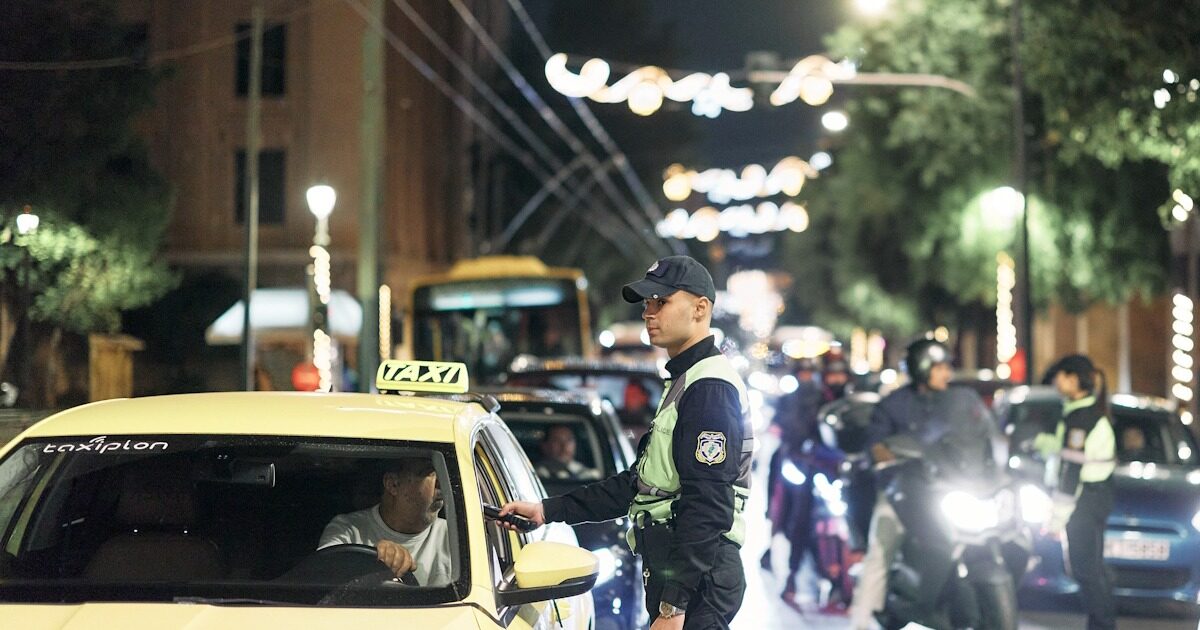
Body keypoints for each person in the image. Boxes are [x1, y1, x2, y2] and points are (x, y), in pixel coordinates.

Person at [500, 255, 753, 630]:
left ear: (700, 309)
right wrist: (546, 510)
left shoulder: (708, 388)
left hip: (698, 583)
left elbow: (708, 506)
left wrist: (674, 607)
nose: (649, 313)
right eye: (647, 303)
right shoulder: (686, 380)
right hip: (683, 575)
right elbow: (637, 486)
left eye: (661, 302)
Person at [849, 338, 994, 630]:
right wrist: (884, 452)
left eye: (947, 368)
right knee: (881, 550)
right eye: (939, 368)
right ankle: (862, 620)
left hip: (950, 489)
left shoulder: (959, 400)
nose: (946, 374)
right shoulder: (894, 404)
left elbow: (982, 434)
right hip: (903, 492)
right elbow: (875, 445)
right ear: (922, 369)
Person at [1034, 355, 1116, 630]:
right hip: (1096, 497)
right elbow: (1069, 453)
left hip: (1084, 501)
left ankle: (1103, 625)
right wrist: (1045, 444)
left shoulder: (1080, 419)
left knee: (1085, 570)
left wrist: (1056, 520)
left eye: (1059, 377)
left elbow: (1071, 473)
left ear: (1072, 379)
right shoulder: (1084, 414)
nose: (1056, 383)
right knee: (1092, 569)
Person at [319, 457, 452, 586]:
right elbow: (321, 578)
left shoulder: (454, 538)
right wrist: (372, 561)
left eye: (442, 474)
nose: (441, 484)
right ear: (393, 484)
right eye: (429, 473)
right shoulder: (347, 530)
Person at [536, 424, 601, 481]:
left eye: (569, 440)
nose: (564, 446)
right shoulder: (537, 475)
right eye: (556, 440)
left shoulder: (589, 475)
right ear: (545, 446)